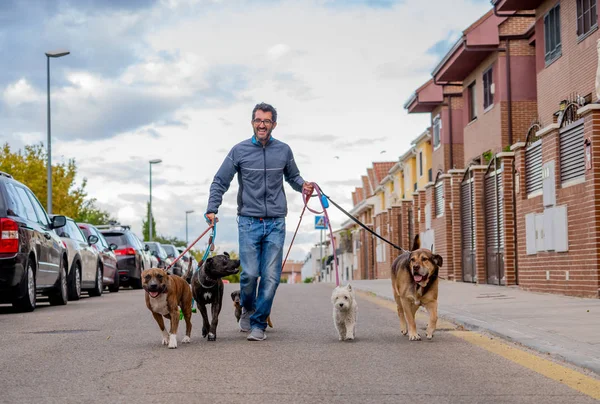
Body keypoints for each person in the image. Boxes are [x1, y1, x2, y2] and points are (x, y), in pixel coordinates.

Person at [205, 102, 314, 341]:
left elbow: (293, 177)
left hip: (276, 221)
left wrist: (303, 185)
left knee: (272, 276)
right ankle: (248, 307)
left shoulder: (284, 150)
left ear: (274, 124)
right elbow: (220, 180)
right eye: (258, 120)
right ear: (252, 123)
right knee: (250, 274)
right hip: (248, 221)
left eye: (266, 121)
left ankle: (258, 324)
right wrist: (212, 209)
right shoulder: (239, 151)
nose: (262, 124)